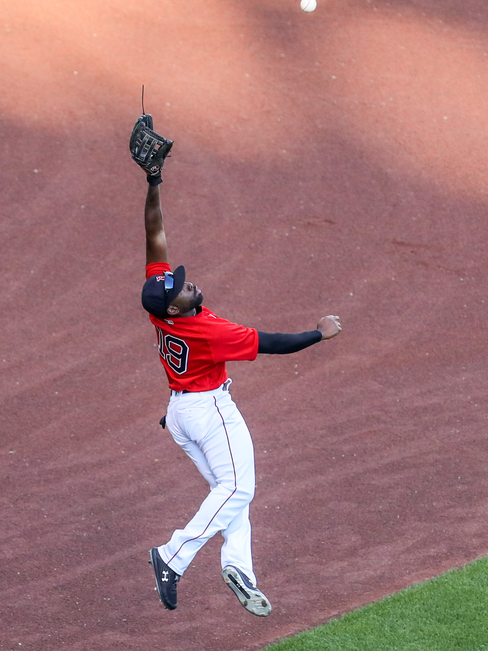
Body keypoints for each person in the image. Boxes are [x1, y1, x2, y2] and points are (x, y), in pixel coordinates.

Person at [135, 116, 342, 616]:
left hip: (180, 413)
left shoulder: (158, 306)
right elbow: (273, 343)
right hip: (207, 411)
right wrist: (320, 333)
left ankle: (239, 567)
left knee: (230, 493)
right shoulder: (208, 331)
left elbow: (154, 232)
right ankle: (172, 556)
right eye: (183, 287)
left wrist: (154, 182)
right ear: (178, 308)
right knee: (239, 486)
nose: (188, 283)